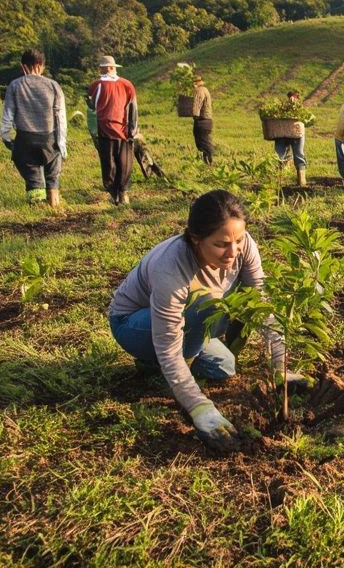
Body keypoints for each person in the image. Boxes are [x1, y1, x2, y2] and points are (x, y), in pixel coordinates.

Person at [107, 190, 300, 452]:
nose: (232, 252)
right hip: (133, 324)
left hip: (189, 321)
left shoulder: (243, 247)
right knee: (204, 307)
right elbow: (168, 344)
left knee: (224, 367)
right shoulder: (172, 266)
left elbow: (262, 304)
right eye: (221, 244)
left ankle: (155, 365)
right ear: (196, 239)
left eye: (239, 240)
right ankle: (168, 370)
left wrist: (279, 365)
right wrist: (199, 407)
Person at [0, 47, 67, 207]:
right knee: (52, 177)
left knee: (33, 177)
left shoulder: (15, 86)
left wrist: (6, 137)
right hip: (49, 138)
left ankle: (36, 212)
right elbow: (60, 116)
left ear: (23, 66)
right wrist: (61, 143)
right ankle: (54, 206)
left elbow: (8, 114)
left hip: (25, 138)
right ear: (41, 65)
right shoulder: (53, 86)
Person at [87, 55, 137, 206]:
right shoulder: (127, 85)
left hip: (104, 130)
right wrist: (133, 129)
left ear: (105, 68)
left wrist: (94, 132)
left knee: (109, 163)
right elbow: (133, 109)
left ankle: (114, 193)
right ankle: (122, 193)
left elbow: (91, 109)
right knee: (124, 163)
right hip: (123, 130)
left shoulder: (95, 86)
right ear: (112, 68)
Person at [273, 90, 308, 187]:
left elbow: (306, 119)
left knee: (299, 154)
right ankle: (279, 181)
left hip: (296, 134)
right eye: (290, 97)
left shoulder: (301, 109)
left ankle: (302, 181)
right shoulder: (282, 108)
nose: (292, 99)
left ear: (298, 98)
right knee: (280, 155)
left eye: (294, 97)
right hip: (283, 133)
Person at [191, 75, 214, 165]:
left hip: (202, 121)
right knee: (205, 141)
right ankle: (207, 162)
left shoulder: (199, 91)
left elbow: (197, 104)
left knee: (203, 143)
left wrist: (195, 115)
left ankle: (210, 160)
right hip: (208, 121)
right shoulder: (205, 90)